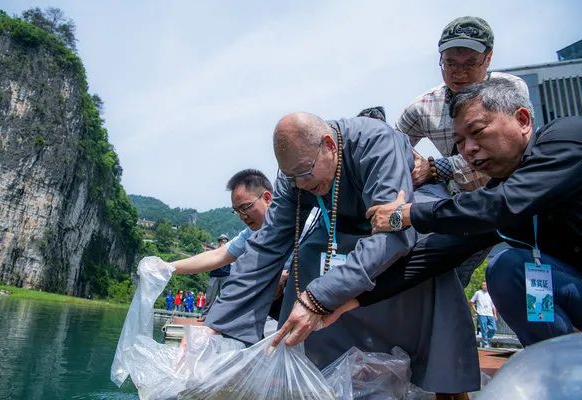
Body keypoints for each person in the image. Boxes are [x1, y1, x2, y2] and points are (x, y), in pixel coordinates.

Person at [204, 112, 480, 395]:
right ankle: (300, 369)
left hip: (400, 219)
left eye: (304, 173)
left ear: (329, 145)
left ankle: (446, 382)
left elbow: (392, 232)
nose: (300, 185)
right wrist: (216, 325)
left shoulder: (376, 141)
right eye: (290, 177)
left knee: (426, 262)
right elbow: (266, 244)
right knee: (309, 256)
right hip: (342, 227)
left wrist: (319, 297)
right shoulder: (296, 175)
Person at [363, 78, 582, 347]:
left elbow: (499, 204)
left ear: (523, 120)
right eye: (460, 142)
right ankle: (562, 369)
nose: (468, 150)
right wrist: (350, 295)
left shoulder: (568, 139)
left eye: (477, 132)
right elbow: (438, 251)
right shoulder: (500, 193)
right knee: (511, 271)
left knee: (508, 266)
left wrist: (406, 214)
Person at [395, 16, 530, 288]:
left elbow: (509, 152)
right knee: (448, 277)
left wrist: (435, 168)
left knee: (532, 271)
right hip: (466, 207)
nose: (459, 73)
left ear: (488, 59)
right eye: (450, 64)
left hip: (512, 196)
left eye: (470, 63)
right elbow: (390, 150)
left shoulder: (509, 91)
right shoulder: (422, 108)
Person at [169, 169, 289, 316]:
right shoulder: (251, 233)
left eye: (245, 207)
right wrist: (167, 267)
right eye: (237, 211)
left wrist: (287, 276)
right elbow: (217, 255)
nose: (242, 216)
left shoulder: (299, 223)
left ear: (268, 198)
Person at [470, 281, 497, 348]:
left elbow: (493, 305)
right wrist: (475, 311)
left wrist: (495, 314)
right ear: (481, 286)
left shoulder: (491, 293)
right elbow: (471, 302)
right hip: (481, 313)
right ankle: (485, 344)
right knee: (484, 329)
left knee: (494, 329)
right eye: (483, 285)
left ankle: (486, 339)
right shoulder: (478, 293)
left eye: (485, 285)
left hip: (490, 314)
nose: (484, 286)